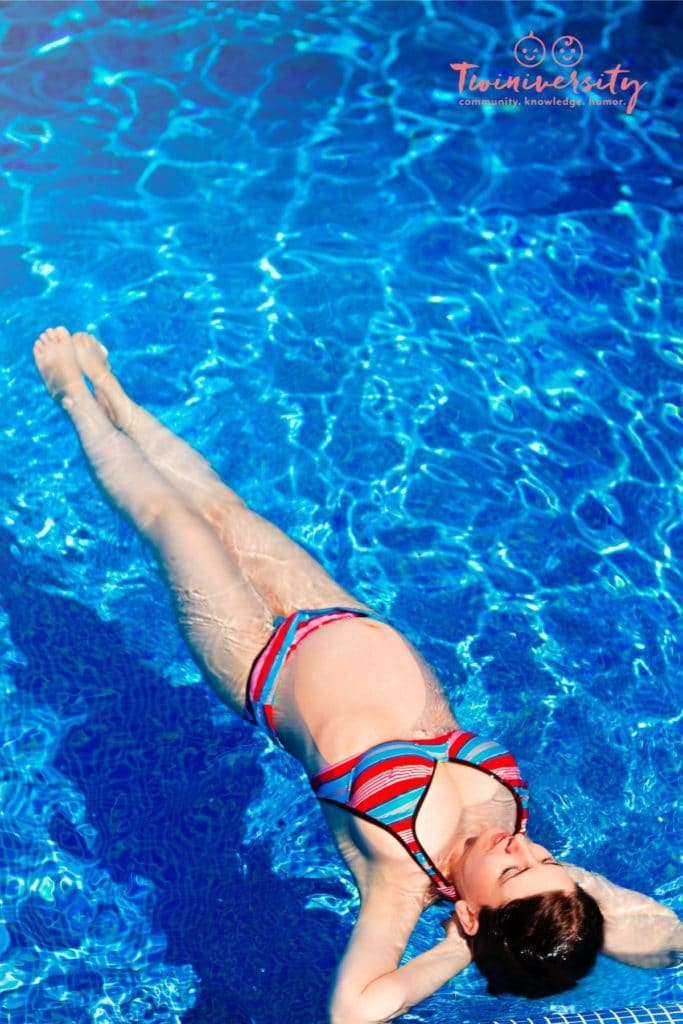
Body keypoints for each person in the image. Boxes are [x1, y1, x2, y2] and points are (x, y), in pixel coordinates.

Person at [33, 326, 681, 1023]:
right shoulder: (527, 867)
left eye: (512, 869)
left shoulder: (399, 881)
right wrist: (561, 897)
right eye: (541, 858)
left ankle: (75, 399)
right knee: (225, 510)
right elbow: (665, 941)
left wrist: (458, 950)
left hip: (258, 660)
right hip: (343, 617)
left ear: (467, 912)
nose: (520, 847)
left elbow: (356, 1011)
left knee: (176, 525)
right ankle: (123, 403)